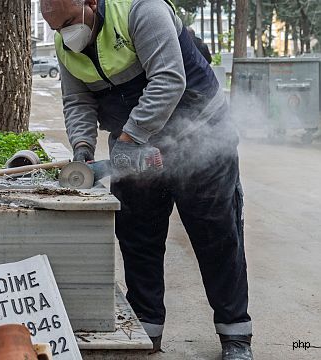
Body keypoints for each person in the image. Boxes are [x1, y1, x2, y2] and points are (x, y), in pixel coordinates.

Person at [40, 0, 252, 359]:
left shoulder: (142, 11)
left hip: (199, 133)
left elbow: (169, 79)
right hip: (135, 143)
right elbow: (77, 101)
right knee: (138, 234)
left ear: (91, 2)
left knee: (215, 234)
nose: (66, 34)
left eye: (71, 22)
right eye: (58, 28)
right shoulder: (66, 44)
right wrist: (82, 149)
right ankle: (146, 329)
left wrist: (129, 139)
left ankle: (235, 335)